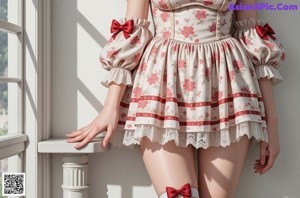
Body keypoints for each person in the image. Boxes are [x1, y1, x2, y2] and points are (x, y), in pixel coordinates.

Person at [66, 0, 286, 197]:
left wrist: (271, 122)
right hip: (162, 86)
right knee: (179, 195)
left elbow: (253, 35)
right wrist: (110, 105)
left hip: (227, 88)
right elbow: (133, 28)